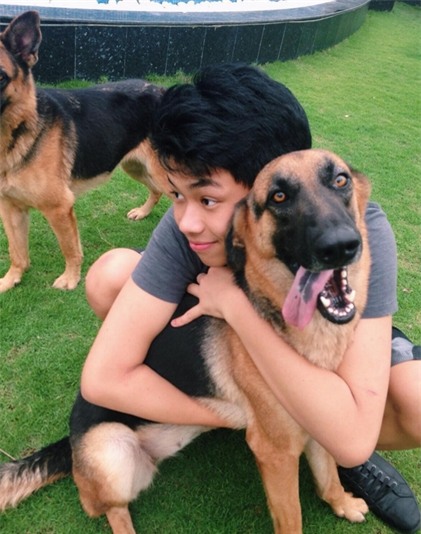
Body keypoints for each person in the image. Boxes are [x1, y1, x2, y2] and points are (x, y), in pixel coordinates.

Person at [80, 63, 420, 533]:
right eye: (176, 195)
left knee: (410, 403)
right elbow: (101, 380)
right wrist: (245, 414)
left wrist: (234, 306)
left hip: (340, 319)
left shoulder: (358, 227)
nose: (186, 222)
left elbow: (355, 439)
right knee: (110, 274)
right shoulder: (188, 226)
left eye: (208, 199)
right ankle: (274, 415)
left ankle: (333, 450)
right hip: (240, 328)